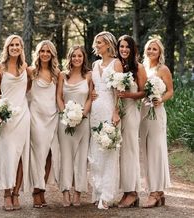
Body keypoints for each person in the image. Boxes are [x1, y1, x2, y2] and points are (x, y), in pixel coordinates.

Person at [0, 35, 30, 211]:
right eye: (11, 45)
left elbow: (28, 88)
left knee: (21, 156)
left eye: (17, 45)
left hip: (23, 116)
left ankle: (16, 194)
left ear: (22, 48)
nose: (14, 47)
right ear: (7, 48)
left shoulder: (25, 68)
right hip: (6, 117)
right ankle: (6, 193)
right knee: (7, 155)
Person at [88, 31, 123, 209]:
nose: (97, 45)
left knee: (109, 151)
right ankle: (98, 190)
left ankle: (107, 195)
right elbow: (92, 88)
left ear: (108, 44)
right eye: (96, 43)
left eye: (100, 42)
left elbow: (119, 91)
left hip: (109, 110)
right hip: (95, 112)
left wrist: (116, 112)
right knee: (95, 153)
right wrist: (92, 93)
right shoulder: (94, 64)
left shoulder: (116, 64)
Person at [57, 45, 93, 207]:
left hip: (83, 121)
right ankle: (65, 192)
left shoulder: (89, 76)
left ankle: (78, 192)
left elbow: (90, 98)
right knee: (66, 157)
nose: (76, 59)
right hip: (65, 122)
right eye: (74, 56)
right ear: (69, 58)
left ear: (83, 58)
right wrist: (66, 113)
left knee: (81, 157)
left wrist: (83, 114)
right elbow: (58, 96)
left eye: (79, 56)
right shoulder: (62, 75)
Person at [140, 38, 173, 208]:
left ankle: (155, 192)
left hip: (156, 111)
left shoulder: (163, 69)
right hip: (143, 111)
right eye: (149, 49)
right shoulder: (143, 68)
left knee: (156, 150)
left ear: (159, 52)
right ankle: (158, 192)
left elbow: (170, 91)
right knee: (146, 150)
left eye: (154, 49)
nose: (151, 51)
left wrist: (161, 99)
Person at [27, 40, 60, 208]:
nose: (45, 54)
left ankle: (42, 188)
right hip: (36, 117)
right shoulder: (31, 72)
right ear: (38, 53)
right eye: (42, 51)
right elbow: (20, 91)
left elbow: (60, 97)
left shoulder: (57, 73)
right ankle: (35, 191)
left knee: (49, 155)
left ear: (52, 54)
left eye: (48, 51)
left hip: (52, 117)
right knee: (37, 154)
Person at [116, 35, 147, 208]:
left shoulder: (139, 68)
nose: (124, 50)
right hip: (118, 112)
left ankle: (133, 192)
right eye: (121, 47)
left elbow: (144, 92)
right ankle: (126, 191)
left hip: (131, 110)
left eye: (127, 47)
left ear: (133, 48)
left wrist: (128, 95)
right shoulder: (117, 66)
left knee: (130, 151)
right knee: (121, 153)